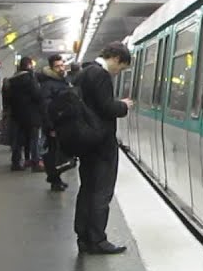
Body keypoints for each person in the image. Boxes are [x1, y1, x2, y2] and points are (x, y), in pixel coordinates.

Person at [74, 42, 134, 255]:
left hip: (87, 142)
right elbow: (106, 108)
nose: (119, 72)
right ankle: (98, 239)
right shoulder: (100, 75)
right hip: (101, 144)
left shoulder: (83, 73)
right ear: (115, 58)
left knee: (87, 189)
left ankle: (84, 237)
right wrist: (123, 105)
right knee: (101, 191)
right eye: (121, 67)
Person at [37, 54, 72, 192]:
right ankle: (54, 179)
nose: (61, 68)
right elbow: (45, 106)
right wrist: (51, 126)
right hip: (53, 124)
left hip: (62, 123)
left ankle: (55, 178)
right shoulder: (48, 84)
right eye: (57, 66)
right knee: (54, 153)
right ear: (51, 67)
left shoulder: (63, 81)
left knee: (58, 153)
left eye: (62, 65)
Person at [6, 57, 44, 172]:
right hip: (31, 114)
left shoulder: (11, 80)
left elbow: (7, 98)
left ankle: (16, 163)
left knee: (18, 140)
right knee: (34, 139)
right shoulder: (30, 78)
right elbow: (37, 95)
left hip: (17, 114)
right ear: (28, 65)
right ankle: (35, 162)